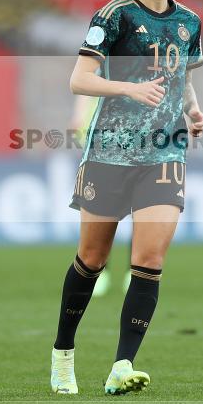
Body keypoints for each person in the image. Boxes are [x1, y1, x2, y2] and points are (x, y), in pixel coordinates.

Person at [50, 0, 203, 395]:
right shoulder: (114, 15)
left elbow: (181, 76)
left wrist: (193, 110)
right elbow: (80, 80)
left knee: (149, 259)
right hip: (111, 153)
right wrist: (129, 88)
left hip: (165, 152)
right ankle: (63, 354)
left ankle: (122, 364)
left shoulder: (189, 21)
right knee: (92, 258)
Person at [70, 94, 132, 298]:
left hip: (135, 135)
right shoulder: (101, 63)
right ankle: (99, 272)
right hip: (100, 137)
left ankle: (134, 272)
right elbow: (86, 84)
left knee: (139, 209)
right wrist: (78, 117)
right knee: (103, 210)